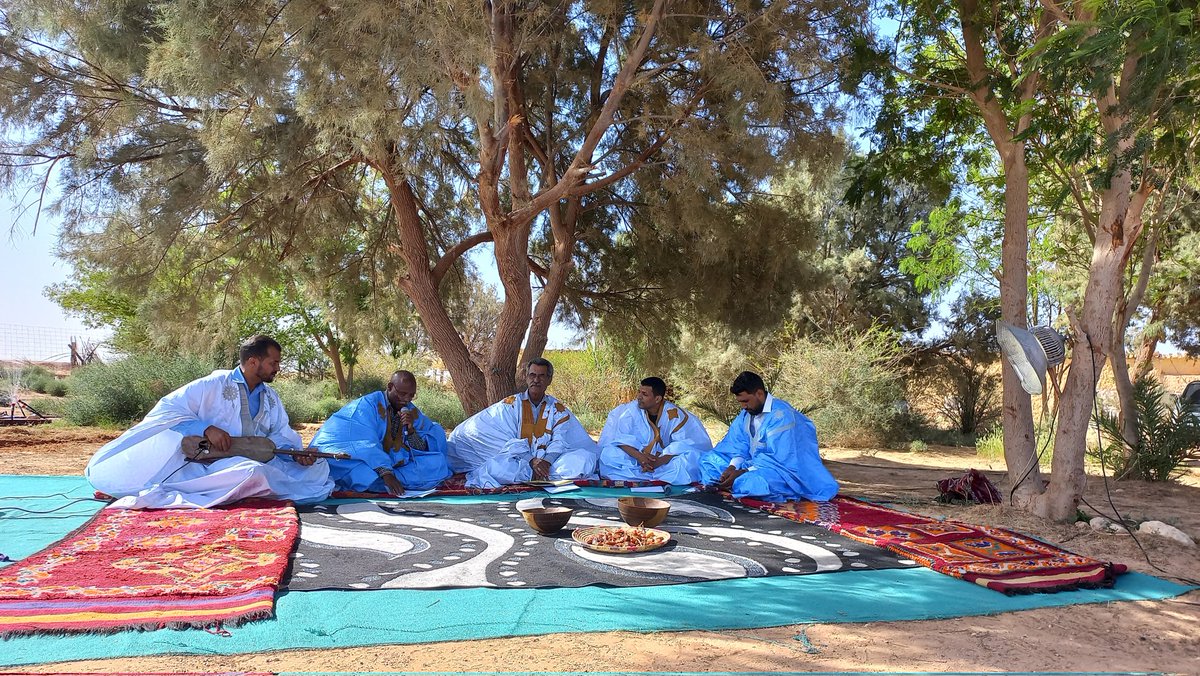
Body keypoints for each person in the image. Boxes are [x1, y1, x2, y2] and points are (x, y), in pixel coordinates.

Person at [85, 335, 334, 508]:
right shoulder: (212, 384)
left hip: (259, 457)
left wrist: (296, 453)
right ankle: (230, 488)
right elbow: (168, 408)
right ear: (252, 362)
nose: (277, 368)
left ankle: (251, 487)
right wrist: (205, 428)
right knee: (251, 472)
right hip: (210, 463)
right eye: (274, 362)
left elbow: (280, 434)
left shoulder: (270, 396)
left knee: (319, 466)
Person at [446, 358, 599, 488]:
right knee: (496, 468)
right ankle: (540, 477)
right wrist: (532, 461)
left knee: (585, 459)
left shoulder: (557, 409)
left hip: (550, 465)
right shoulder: (511, 405)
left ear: (549, 380)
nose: (536, 380)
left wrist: (546, 462)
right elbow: (508, 440)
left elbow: (560, 440)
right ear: (526, 377)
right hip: (520, 461)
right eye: (532, 375)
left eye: (541, 376)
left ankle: (541, 475)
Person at [699, 371, 838, 502]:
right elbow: (739, 445)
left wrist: (742, 472)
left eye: (746, 401)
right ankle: (728, 483)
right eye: (740, 402)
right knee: (707, 460)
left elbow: (780, 459)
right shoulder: (746, 415)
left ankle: (734, 484)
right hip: (750, 464)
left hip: (784, 471)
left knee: (750, 483)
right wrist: (732, 467)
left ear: (759, 394)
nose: (743, 406)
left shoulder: (781, 415)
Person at [310, 370, 450, 495]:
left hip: (394, 462)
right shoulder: (367, 406)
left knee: (438, 463)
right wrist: (386, 473)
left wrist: (411, 430)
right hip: (360, 457)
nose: (406, 399)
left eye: (411, 395)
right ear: (390, 387)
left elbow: (423, 447)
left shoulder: (411, 411)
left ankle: (387, 482)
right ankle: (386, 481)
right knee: (361, 473)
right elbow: (363, 443)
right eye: (402, 394)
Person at [598, 377, 712, 483]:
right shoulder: (631, 411)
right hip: (638, 458)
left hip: (665, 462)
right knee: (609, 454)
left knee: (689, 462)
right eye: (639, 392)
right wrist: (641, 457)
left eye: (644, 394)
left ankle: (644, 477)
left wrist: (659, 461)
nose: (639, 397)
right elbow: (621, 440)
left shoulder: (674, 415)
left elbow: (685, 445)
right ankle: (654, 477)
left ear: (657, 399)